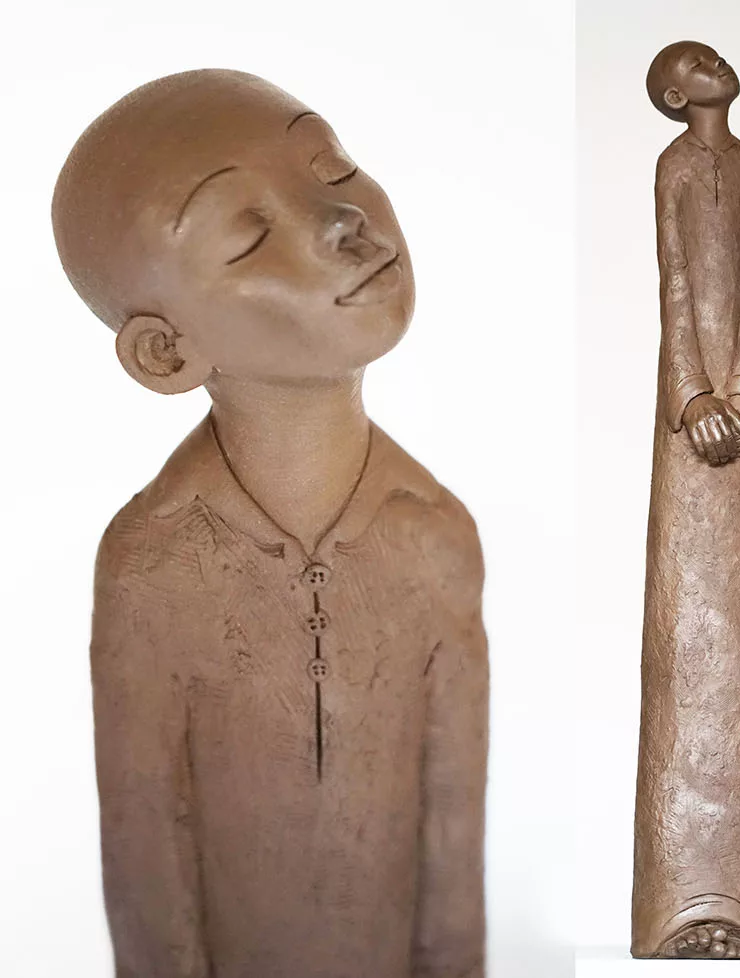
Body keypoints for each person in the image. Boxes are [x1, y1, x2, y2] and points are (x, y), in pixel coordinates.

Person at [52, 69, 487, 978]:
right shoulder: (150, 566)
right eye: (248, 233)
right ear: (165, 352)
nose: (342, 221)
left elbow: (452, 837)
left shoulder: (435, 534)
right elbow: (146, 853)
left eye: (332, 168)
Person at [632, 41, 740, 960]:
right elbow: (674, 286)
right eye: (694, 62)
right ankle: (678, 905)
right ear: (675, 97)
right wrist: (692, 400)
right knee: (685, 629)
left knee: (737, 627)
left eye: (710, 53)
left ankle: (739, 903)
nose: (713, 61)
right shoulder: (675, 166)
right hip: (690, 429)